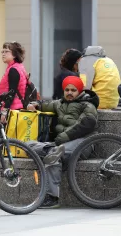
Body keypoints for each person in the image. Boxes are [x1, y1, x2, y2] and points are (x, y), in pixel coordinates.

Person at [27, 76, 99, 209]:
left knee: (54, 155)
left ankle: (52, 197)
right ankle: (53, 152)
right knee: (29, 146)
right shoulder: (60, 103)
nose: (70, 93)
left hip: (83, 143)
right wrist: (35, 105)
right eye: (67, 90)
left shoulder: (87, 105)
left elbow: (88, 123)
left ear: (80, 91)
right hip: (62, 144)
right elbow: (45, 104)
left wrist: (65, 136)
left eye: (73, 90)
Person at [0, 41, 29, 122]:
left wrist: (4, 112)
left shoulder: (13, 70)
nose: (3, 54)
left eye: (6, 51)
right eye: (2, 51)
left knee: (8, 134)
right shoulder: (19, 67)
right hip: (16, 109)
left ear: (14, 55)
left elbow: (11, 93)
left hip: (12, 111)